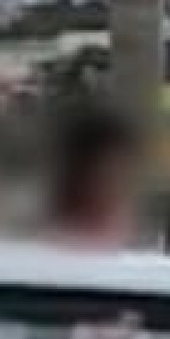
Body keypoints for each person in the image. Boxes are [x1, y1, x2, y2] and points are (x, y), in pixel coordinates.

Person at [40, 103, 141, 249]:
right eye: (107, 175)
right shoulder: (43, 244)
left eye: (126, 175)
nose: (118, 187)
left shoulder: (139, 248)